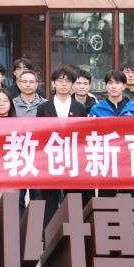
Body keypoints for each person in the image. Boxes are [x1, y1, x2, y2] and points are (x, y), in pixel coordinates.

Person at [35, 67, 89, 220]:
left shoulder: (80, 108)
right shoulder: (43, 108)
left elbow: (84, 136)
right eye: (60, 81)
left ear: (72, 84)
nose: (64, 84)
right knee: (49, 202)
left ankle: (74, 233)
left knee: (73, 201)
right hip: (49, 162)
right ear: (53, 83)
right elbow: (39, 136)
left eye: (68, 81)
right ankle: (49, 234)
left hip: (73, 162)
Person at [89, 70, 134, 198]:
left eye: (118, 83)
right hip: (106, 159)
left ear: (124, 86)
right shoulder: (97, 109)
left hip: (129, 159)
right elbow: (91, 135)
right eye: (110, 83)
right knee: (106, 198)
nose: (114, 86)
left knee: (128, 198)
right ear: (106, 85)